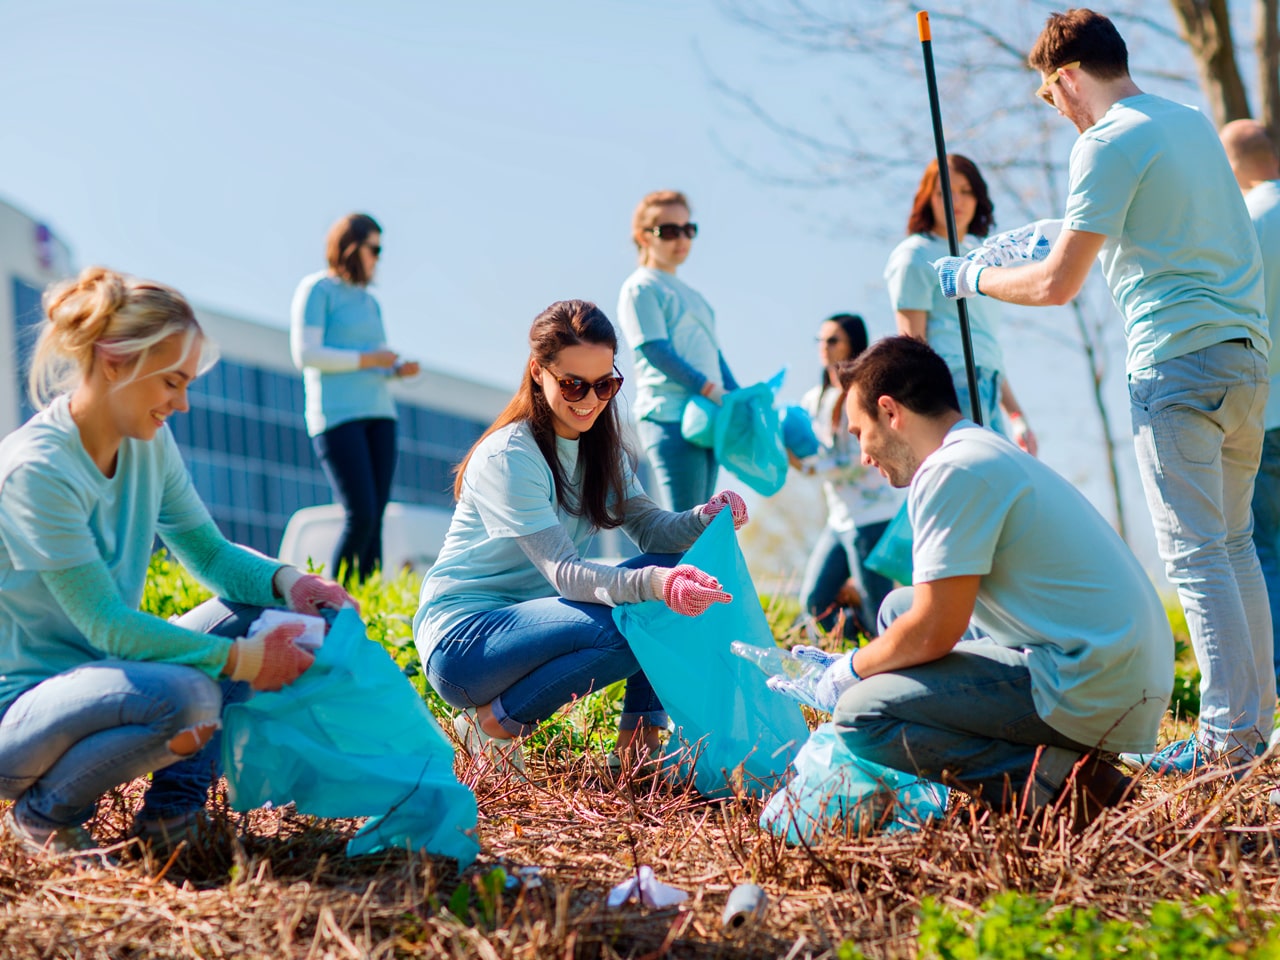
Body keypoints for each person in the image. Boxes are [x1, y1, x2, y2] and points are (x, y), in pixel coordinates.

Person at [933, 9, 1273, 773]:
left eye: (1048, 96)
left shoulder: (1105, 140)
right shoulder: (1186, 122)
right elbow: (1156, 226)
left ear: (1068, 77)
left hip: (1177, 366)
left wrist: (973, 278)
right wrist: (1058, 225)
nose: (1054, 112)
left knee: (1196, 555)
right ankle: (1251, 732)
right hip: (1246, 361)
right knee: (1234, 545)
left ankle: (1225, 743)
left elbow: (1057, 287)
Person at [0, 267, 354, 858]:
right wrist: (242, 660)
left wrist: (290, 584)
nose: (183, 404)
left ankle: (171, 823)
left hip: (107, 675)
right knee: (190, 696)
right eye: (171, 381)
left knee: (276, 617)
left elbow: (209, 553)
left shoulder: (148, 441)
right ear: (113, 361)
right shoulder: (37, 471)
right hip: (20, 712)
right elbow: (107, 624)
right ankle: (44, 816)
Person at [768, 336, 1172, 827]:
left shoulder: (951, 471)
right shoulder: (978, 451)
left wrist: (850, 669)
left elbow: (934, 631)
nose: (863, 454)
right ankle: (1047, 767)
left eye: (859, 432)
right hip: (1111, 666)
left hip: (1093, 683)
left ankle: (1065, 785)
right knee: (898, 608)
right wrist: (871, 662)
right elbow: (921, 618)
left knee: (861, 715)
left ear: (890, 412)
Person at [413, 299, 748, 776]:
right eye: (572, 384)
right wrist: (657, 586)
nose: (590, 400)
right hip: (465, 645)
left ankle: (638, 752)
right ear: (538, 371)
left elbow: (654, 530)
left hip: (535, 627)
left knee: (673, 576)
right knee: (646, 620)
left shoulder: (601, 451)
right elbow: (565, 574)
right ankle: (493, 722)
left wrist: (704, 518)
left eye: (605, 384)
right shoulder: (511, 455)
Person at [290, 213, 420, 584]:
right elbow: (306, 354)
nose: (378, 257)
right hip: (337, 417)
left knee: (376, 515)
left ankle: (367, 605)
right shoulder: (317, 290)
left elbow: (376, 359)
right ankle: (336, 602)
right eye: (373, 248)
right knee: (360, 513)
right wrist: (368, 359)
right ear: (351, 247)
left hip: (380, 413)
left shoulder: (369, 303)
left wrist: (395, 368)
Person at [884, 156, 1037, 453]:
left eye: (966, 191)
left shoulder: (980, 259)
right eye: (944, 192)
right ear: (928, 198)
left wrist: (1016, 416)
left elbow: (986, 347)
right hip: (951, 387)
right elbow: (912, 346)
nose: (957, 200)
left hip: (988, 386)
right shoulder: (915, 255)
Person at [617, 190, 741, 512]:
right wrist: (709, 388)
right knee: (683, 527)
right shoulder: (641, 286)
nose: (681, 238)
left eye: (688, 229)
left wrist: (738, 396)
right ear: (643, 237)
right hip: (669, 416)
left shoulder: (696, 296)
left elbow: (714, 356)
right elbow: (654, 350)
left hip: (708, 416)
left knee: (700, 527)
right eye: (669, 230)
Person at [795, 313, 903, 637]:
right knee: (815, 602)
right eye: (820, 341)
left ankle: (891, 666)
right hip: (838, 518)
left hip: (871, 515)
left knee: (879, 610)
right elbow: (810, 450)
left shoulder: (865, 392)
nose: (824, 348)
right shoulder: (813, 398)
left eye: (832, 340)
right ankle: (858, 657)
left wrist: (812, 467)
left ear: (851, 344)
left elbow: (862, 455)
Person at [1220, 119, 1280, 695]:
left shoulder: (1247, 225)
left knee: (1261, 551)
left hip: (1267, 411)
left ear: (1233, 166)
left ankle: (1275, 686)